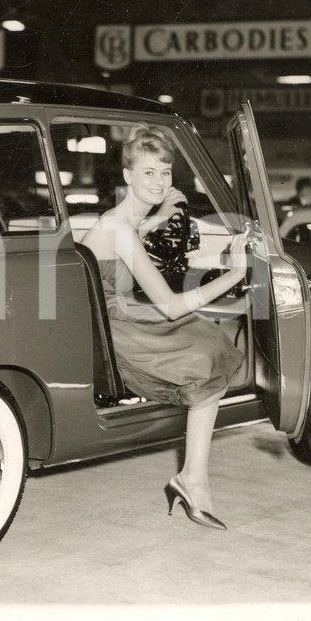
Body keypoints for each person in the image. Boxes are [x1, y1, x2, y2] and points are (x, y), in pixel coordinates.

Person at [81, 124, 249, 531]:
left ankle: (193, 477)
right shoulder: (120, 228)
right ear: (127, 176)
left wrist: (165, 212)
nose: (158, 182)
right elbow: (172, 307)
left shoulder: (125, 220)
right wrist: (235, 272)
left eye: (164, 173)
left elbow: (142, 251)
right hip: (107, 334)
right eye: (148, 173)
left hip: (111, 318)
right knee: (204, 349)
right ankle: (193, 479)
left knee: (207, 341)